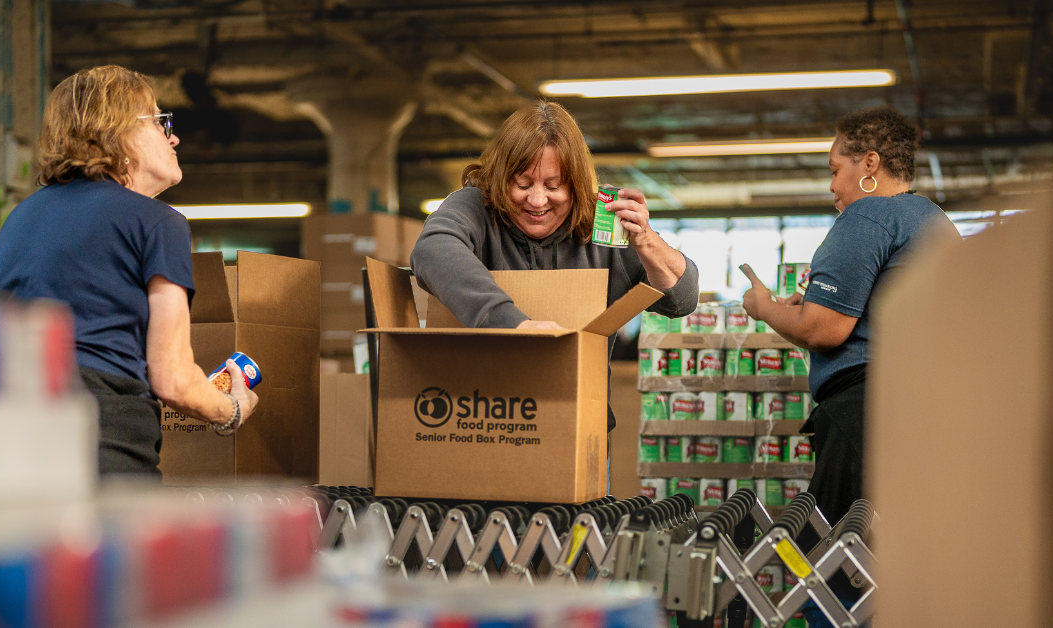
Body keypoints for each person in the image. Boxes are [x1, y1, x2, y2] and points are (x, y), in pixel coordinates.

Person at [740, 106, 960, 624]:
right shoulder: (932, 220)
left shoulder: (868, 216)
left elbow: (824, 329)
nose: (832, 186)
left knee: (834, 560)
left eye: (835, 169)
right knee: (894, 559)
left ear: (870, 164)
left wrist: (764, 307)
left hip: (867, 410)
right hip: (924, 409)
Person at [0, 65, 259, 476]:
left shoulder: (19, 220)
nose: (173, 138)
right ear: (121, 132)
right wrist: (231, 409)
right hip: (101, 442)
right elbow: (173, 380)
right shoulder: (158, 222)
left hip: (2, 441)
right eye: (160, 123)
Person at [410, 101, 699, 431]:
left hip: (580, 434)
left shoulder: (605, 222)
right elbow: (433, 249)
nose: (537, 200)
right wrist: (511, 325)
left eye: (553, 186)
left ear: (576, 184)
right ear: (499, 178)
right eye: (522, 184)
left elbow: (683, 299)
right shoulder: (476, 205)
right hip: (483, 426)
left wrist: (646, 241)